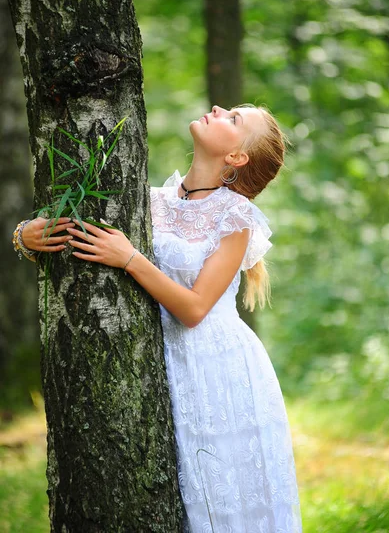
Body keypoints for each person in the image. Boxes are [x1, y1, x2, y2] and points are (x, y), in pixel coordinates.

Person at [14, 104, 302, 532]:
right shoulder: (149, 199)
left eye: (235, 120)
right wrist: (26, 235)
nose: (219, 109)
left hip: (217, 366)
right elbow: (80, 231)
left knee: (217, 492)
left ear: (236, 158)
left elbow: (194, 309)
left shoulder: (235, 217)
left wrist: (130, 258)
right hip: (158, 356)